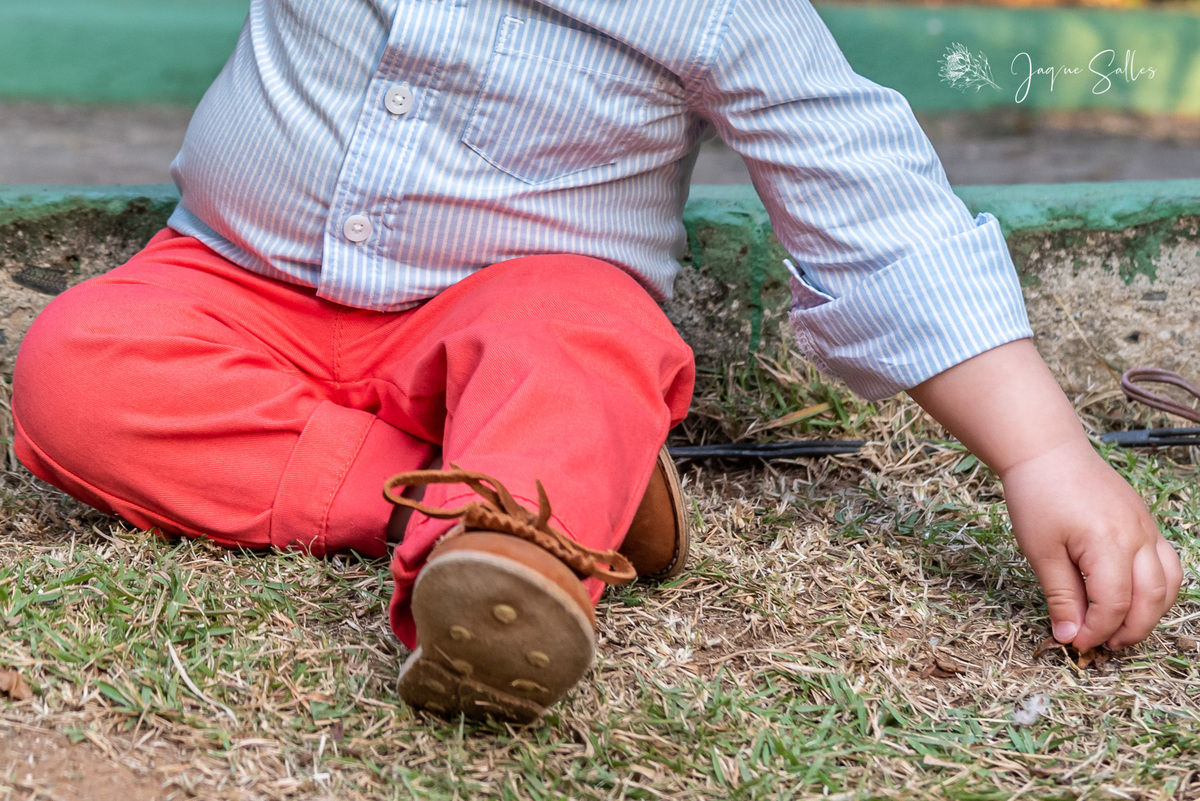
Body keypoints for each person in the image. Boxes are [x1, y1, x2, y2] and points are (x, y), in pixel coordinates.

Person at [11, 0, 1181, 723]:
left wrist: (1043, 453)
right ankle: (541, 501)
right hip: (232, 287)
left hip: (518, 313)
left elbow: (874, 207)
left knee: (580, 329)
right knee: (76, 369)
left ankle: (522, 535)